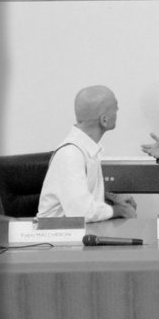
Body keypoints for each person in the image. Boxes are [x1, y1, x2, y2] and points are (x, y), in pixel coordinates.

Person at [38, 85, 137, 222]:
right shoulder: (71, 155)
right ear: (104, 120)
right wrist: (120, 210)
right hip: (59, 235)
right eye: (115, 107)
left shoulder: (86, 150)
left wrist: (112, 198)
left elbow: (79, 195)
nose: (118, 110)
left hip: (80, 232)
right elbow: (82, 212)